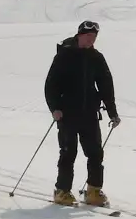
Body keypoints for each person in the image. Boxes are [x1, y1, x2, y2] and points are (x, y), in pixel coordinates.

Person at [43, 20, 119, 207]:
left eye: (93, 37)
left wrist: (112, 112)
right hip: (67, 114)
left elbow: (106, 86)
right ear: (79, 35)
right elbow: (51, 85)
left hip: (89, 114)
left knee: (95, 153)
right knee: (69, 153)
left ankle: (93, 191)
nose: (90, 40)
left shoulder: (96, 58)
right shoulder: (64, 55)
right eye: (87, 36)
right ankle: (62, 191)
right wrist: (55, 109)